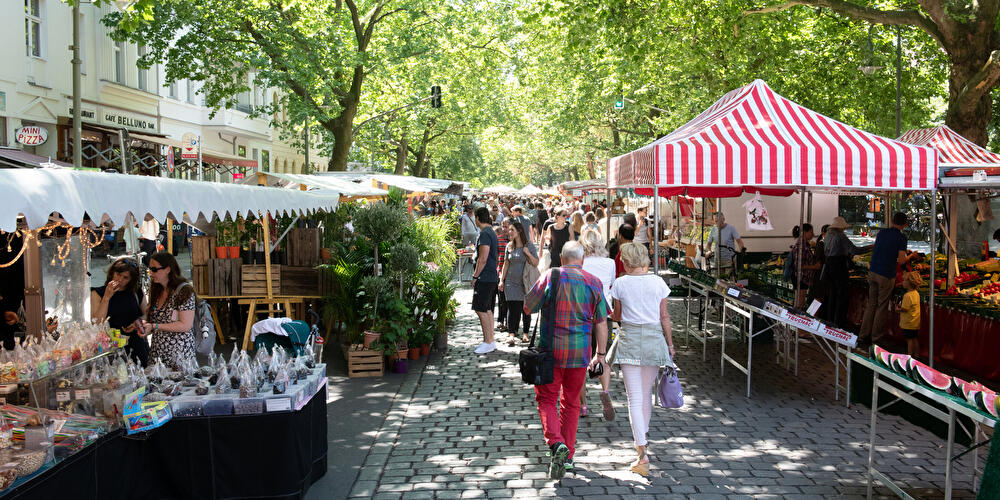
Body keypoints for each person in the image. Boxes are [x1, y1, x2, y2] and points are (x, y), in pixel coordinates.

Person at [523, 241, 609, 479]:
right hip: (580, 355)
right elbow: (602, 322)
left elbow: (528, 307)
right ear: (582, 261)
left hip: (551, 352)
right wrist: (600, 354)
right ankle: (568, 456)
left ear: (561, 259)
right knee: (571, 403)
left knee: (547, 399)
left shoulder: (551, 277)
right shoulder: (594, 282)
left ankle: (556, 444)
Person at [608, 242, 674, 477]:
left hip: (631, 339)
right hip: (655, 339)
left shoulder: (620, 284)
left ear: (625, 262)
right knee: (645, 394)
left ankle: (641, 450)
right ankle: (642, 439)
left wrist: (609, 313)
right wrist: (670, 344)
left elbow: (617, 315)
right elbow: (665, 316)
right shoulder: (658, 282)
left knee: (634, 398)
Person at [861, 212, 918, 345]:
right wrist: (912, 255)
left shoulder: (882, 233)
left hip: (873, 270)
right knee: (881, 306)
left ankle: (863, 335)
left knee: (871, 304)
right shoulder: (901, 238)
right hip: (886, 274)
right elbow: (902, 260)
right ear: (905, 224)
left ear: (892, 221)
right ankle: (876, 338)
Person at [579, 229, 617, 422]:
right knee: (603, 357)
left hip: (583, 313)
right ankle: (605, 390)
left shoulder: (581, 262)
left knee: (580, 362)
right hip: (604, 312)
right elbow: (610, 286)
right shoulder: (610, 263)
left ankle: (583, 405)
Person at [142, 252, 196, 370]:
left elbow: (185, 325)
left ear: (167, 269)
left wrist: (154, 326)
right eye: (150, 269)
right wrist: (144, 325)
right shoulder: (156, 288)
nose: (151, 273)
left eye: (154, 269)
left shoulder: (184, 290)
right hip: (157, 355)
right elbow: (154, 318)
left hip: (179, 355)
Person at [91, 258, 149, 366]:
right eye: (118, 274)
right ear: (112, 272)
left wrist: (139, 321)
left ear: (131, 280)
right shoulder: (97, 293)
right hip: (111, 348)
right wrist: (106, 298)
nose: (120, 279)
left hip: (136, 345)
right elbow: (96, 323)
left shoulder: (136, 292)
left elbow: (147, 314)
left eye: (125, 277)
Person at [821, 217, 872, 327]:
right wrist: (870, 247)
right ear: (841, 228)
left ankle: (830, 322)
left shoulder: (828, 235)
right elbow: (854, 250)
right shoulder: (840, 236)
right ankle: (839, 323)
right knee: (841, 295)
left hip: (829, 265)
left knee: (831, 295)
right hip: (838, 266)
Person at [499, 221, 538, 346]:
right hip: (510, 282)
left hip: (525, 282)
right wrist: (501, 280)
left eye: (512, 230)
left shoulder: (529, 245)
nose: (509, 232)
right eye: (509, 230)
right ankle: (511, 335)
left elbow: (536, 263)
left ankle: (525, 333)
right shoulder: (509, 246)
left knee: (525, 309)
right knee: (512, 308)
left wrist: (527, 253)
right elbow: (506, 264)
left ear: (519, 231)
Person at [471, 207, 500, 355]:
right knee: (487, 309)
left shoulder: (485, 233)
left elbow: (482, 258)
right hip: (491, 276)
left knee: (481, 308)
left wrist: (475, 276)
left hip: (485, 277)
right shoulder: (491, 232)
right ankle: (490, 340)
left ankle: (488, 341)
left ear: (477, 218)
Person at [790, 223, 821, 309]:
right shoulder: (801, 246)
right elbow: (799, 265)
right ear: (804, 232)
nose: (813, 234)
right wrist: (814, 267)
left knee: (800, 303)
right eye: (811, 232)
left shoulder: (805, 245)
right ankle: (797, 320)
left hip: (802, 278)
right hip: (800, 278)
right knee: (799, 304)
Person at [900, 271, 923, 357]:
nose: (902, 282)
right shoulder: (916, 293)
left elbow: (904, 309)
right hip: (915, 321)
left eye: (904, 280)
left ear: (909, 283)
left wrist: (898, 309)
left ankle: (909, 355)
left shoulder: (907, 296)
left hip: (908, 322)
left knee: (909, 340)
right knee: (914, 338)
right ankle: (916, 354)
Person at [495, 218, 511, 334]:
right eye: (503, 226)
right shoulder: (498, 239)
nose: (504, 229)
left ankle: (510, 322)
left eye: (507, 227)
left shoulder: (518, 241)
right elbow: (495, 257)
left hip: (514, 274)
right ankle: (501, 320)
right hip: (501, 272)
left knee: (512, 301)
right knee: (502, 299)